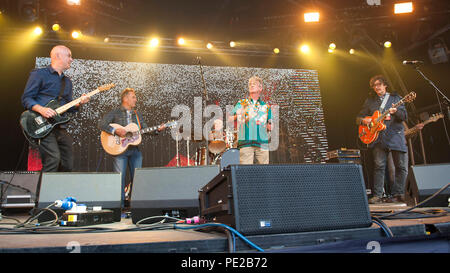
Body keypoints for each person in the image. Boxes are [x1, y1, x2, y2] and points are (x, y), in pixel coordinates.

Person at [21, 45, 90, 172]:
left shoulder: (67, 82)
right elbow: (26, 98)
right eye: (69, 55)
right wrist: (41, 109)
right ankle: (44, 191)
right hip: (41, 124)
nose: (72, 59)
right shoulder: (39, 74)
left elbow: (68, 107)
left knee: (68, 163)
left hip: (59, 127)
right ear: (57, 56)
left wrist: (79, 103)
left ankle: (60, 190)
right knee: (53, 159)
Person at [98, 88, 165, 206]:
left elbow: (144, 128)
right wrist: (115, 131)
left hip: (135, 150)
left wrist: (157, 130)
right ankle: (119, 207)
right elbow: (101, 124)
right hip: (119, 151)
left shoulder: (137, 114)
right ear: (125, 99)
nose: (136, 99)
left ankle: (135, 205)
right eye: (133, 97)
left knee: (138, 178)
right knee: (119, 179)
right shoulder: (115, 112)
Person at [356, 75, 408, 204]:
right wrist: (364, 120)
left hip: (395, 136)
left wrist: (395, 111)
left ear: (385, 85)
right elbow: (358, 118)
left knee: (401, 166)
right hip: (379, 138)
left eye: (379, 84)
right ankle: (378, 195)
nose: (377, 87)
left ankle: (398, 193)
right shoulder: (370, 101)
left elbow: (404, 116)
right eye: (374, 85)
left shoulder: (396, 98)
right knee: (379, 166)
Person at [229, 76, 272, 164]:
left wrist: (270, 124)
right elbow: (229, 118)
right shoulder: (242, 103)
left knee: (264, 171)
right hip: (246, 142)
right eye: (250, 84)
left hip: (262, 142)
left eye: (254, 84)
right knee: (245, 171)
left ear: (260, 88)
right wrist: (238, 113)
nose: (251, 86)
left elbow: (270, 126)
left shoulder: (266, 106)